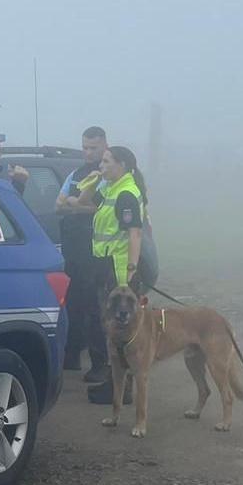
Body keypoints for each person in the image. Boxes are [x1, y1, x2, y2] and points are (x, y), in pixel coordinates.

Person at [87, 145, 154, 404]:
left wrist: (131, 269)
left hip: (119, 270)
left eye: (106, 162)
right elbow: (83, 202)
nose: (101, 166)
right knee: (113, 328)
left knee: (121, 328)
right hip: (106, 266)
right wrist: (93, 182)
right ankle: (116, 384)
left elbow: (134, 233)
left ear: (122, 165)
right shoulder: (111, 188)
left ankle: (121, 389)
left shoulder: (125, 193)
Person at [55, 127, 109, 375]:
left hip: (97, 253)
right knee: (71, 304)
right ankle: (72, 356)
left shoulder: (110, 173)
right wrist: (78, 206)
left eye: (93, 148)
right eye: (85, 147)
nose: (88, 153)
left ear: (104, 145)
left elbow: (103, 209)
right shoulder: (76, 173)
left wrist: (76, 205)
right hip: (73, 250)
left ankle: (100, 364)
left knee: (94, 309)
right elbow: (59, 205)